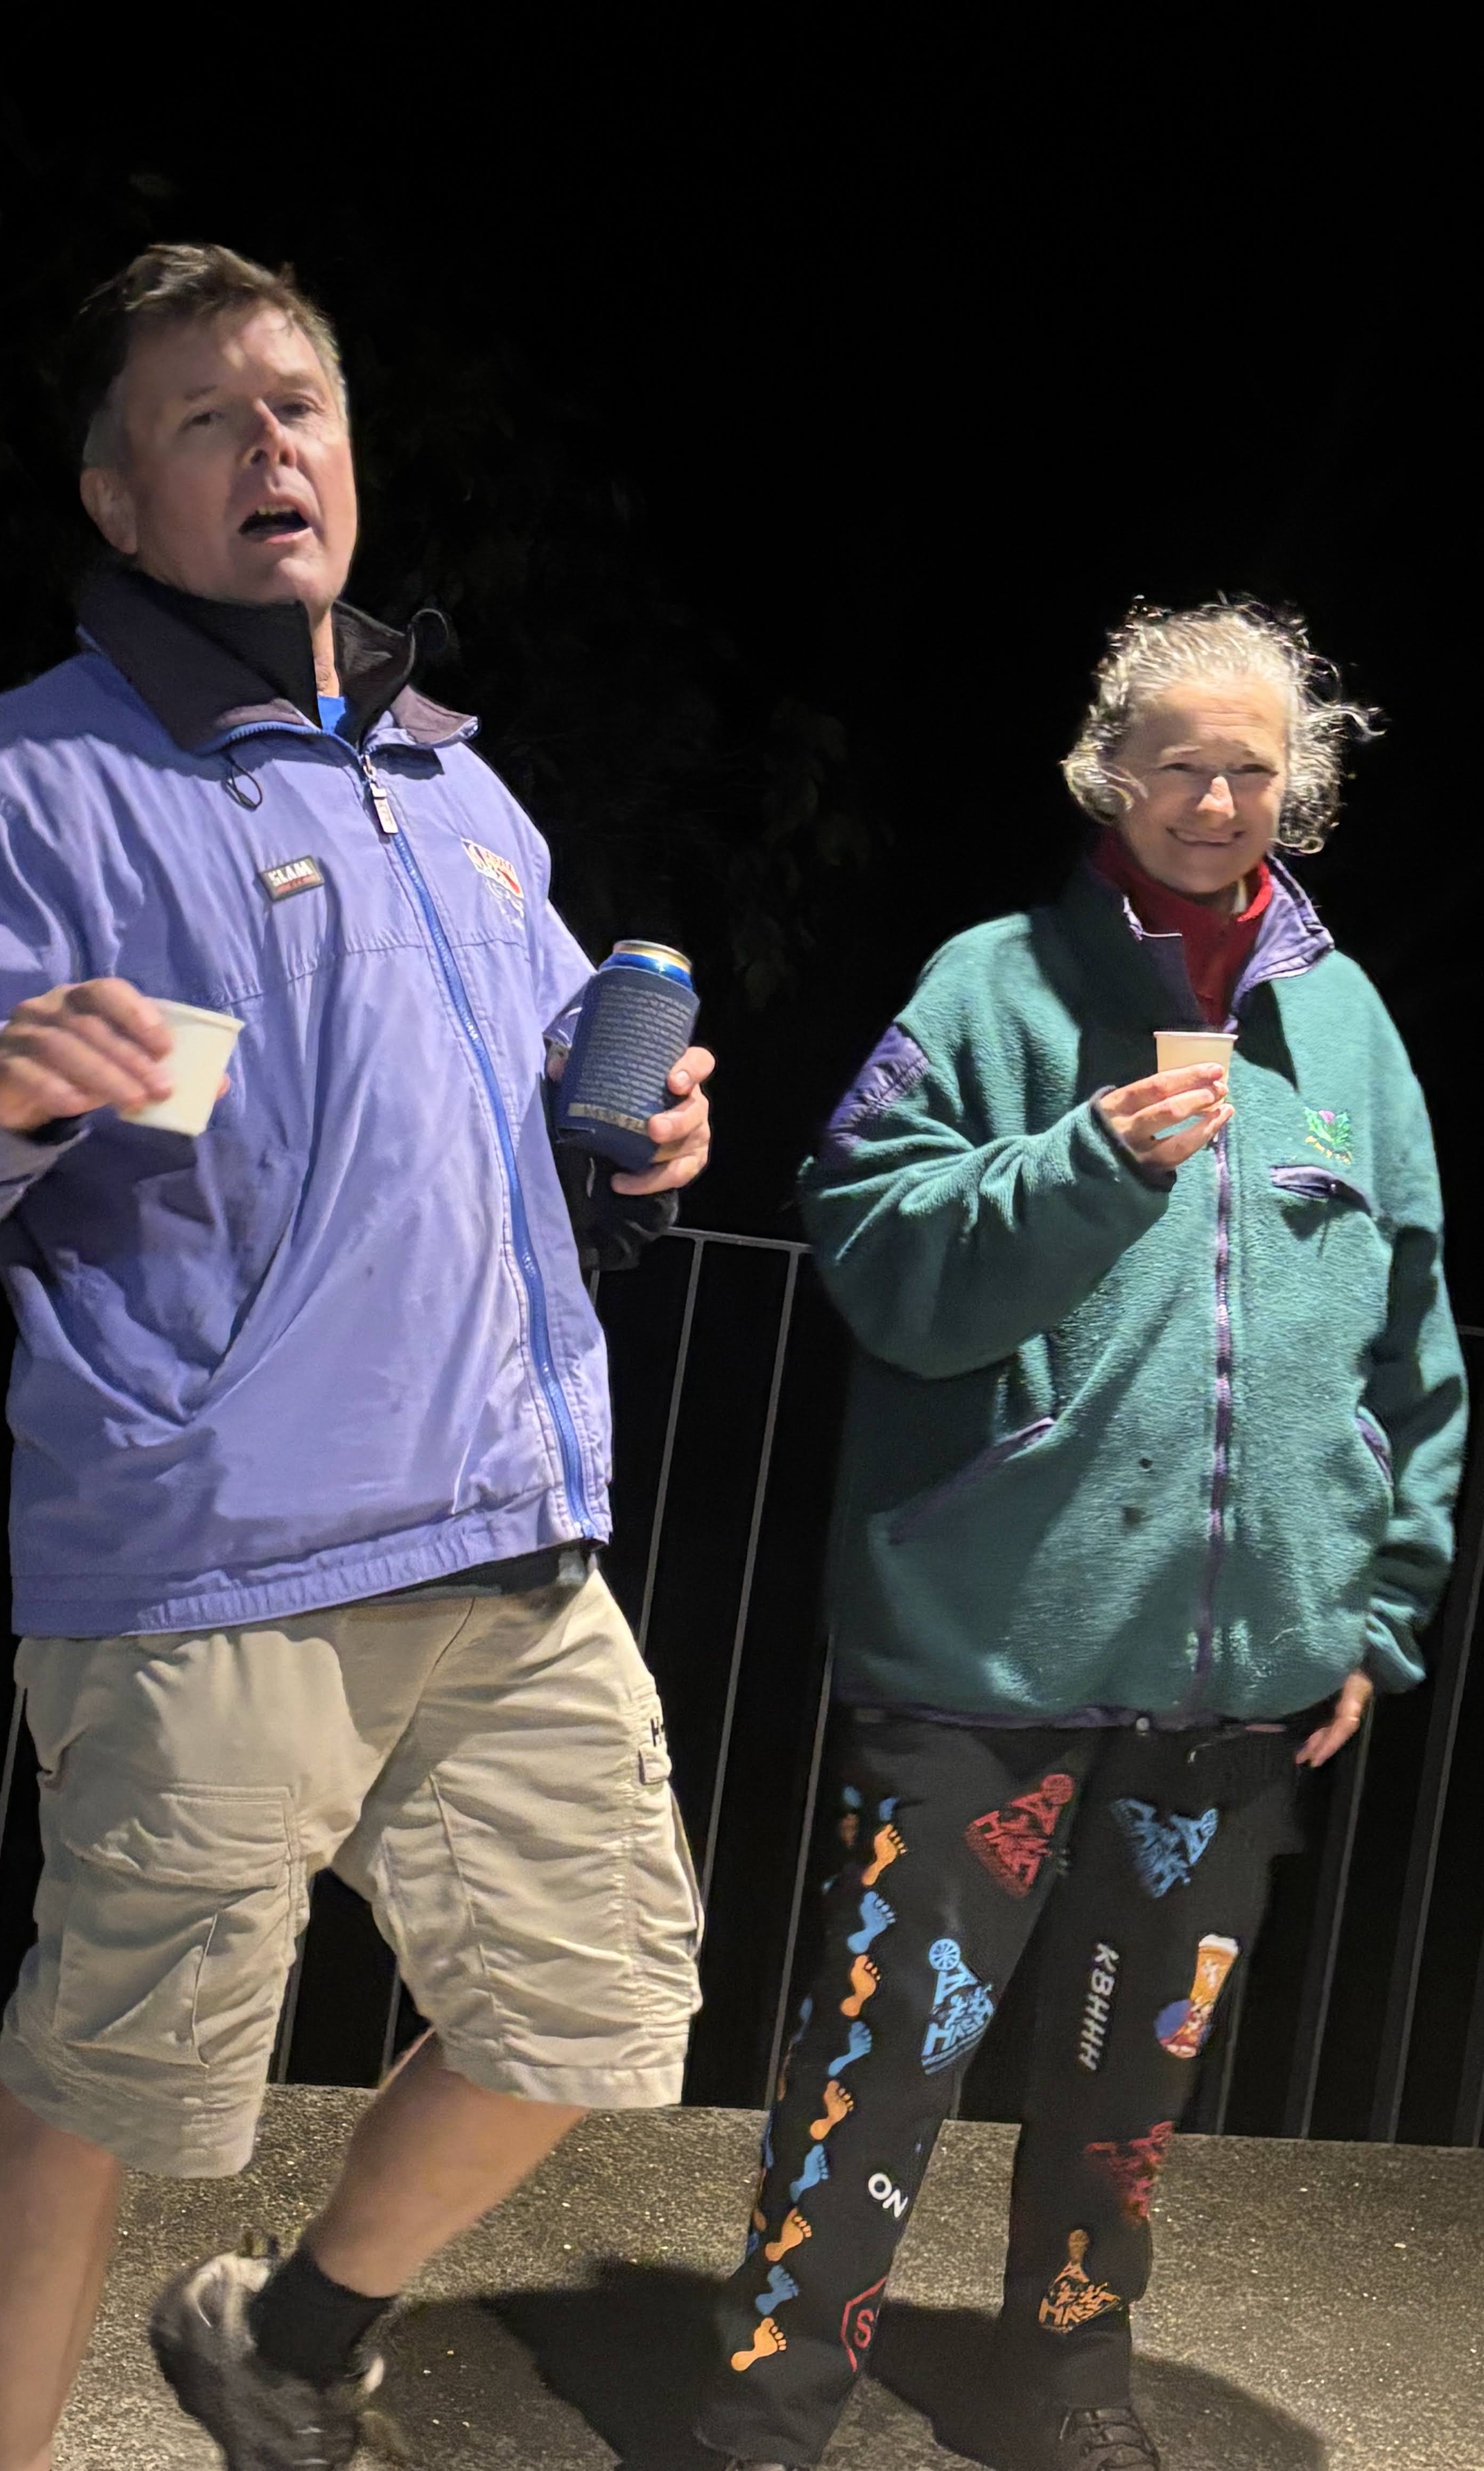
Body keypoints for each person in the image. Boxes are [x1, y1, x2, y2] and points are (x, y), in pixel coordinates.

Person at [0, 243, 713, 2471]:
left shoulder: (463, 797)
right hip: (212, 1556)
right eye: (207, 417)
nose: (273, 443)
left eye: (301, 406)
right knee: (109, 2083)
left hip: (511, 1536)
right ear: (118, 498)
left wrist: (645, 1135)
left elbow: (540, 1109)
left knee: (594, 2004)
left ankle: (289, 2335)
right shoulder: (18, 791)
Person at [694, 602, 1466, 2471]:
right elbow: (877, 1258)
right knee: (885, 2056)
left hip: (1240, 1679)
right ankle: (771, 2403)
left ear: (1300, 788)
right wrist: (1088, 1161)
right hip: (985, 1655)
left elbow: (1415, 1343)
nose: (1213, 799)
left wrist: (1375, 1613)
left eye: (1251, 768)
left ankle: (1067, 2375)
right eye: (1176, 762)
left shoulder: (1349, 1025)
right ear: (1106, 772)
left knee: (1135, 2084)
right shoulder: (988, 986)